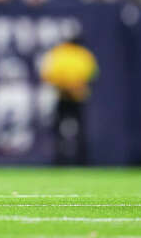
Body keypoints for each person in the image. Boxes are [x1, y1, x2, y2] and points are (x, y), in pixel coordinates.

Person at [40, 35, 98, 165]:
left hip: (71, 96)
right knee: (65, 130)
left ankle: (77, 160)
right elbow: (92, 74)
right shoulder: (81, 54)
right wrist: (71, 85)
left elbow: (48, 74)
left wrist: (67, 84)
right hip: (67, 96)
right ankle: (65, 159)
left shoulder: (61, 53)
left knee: (73, 131)